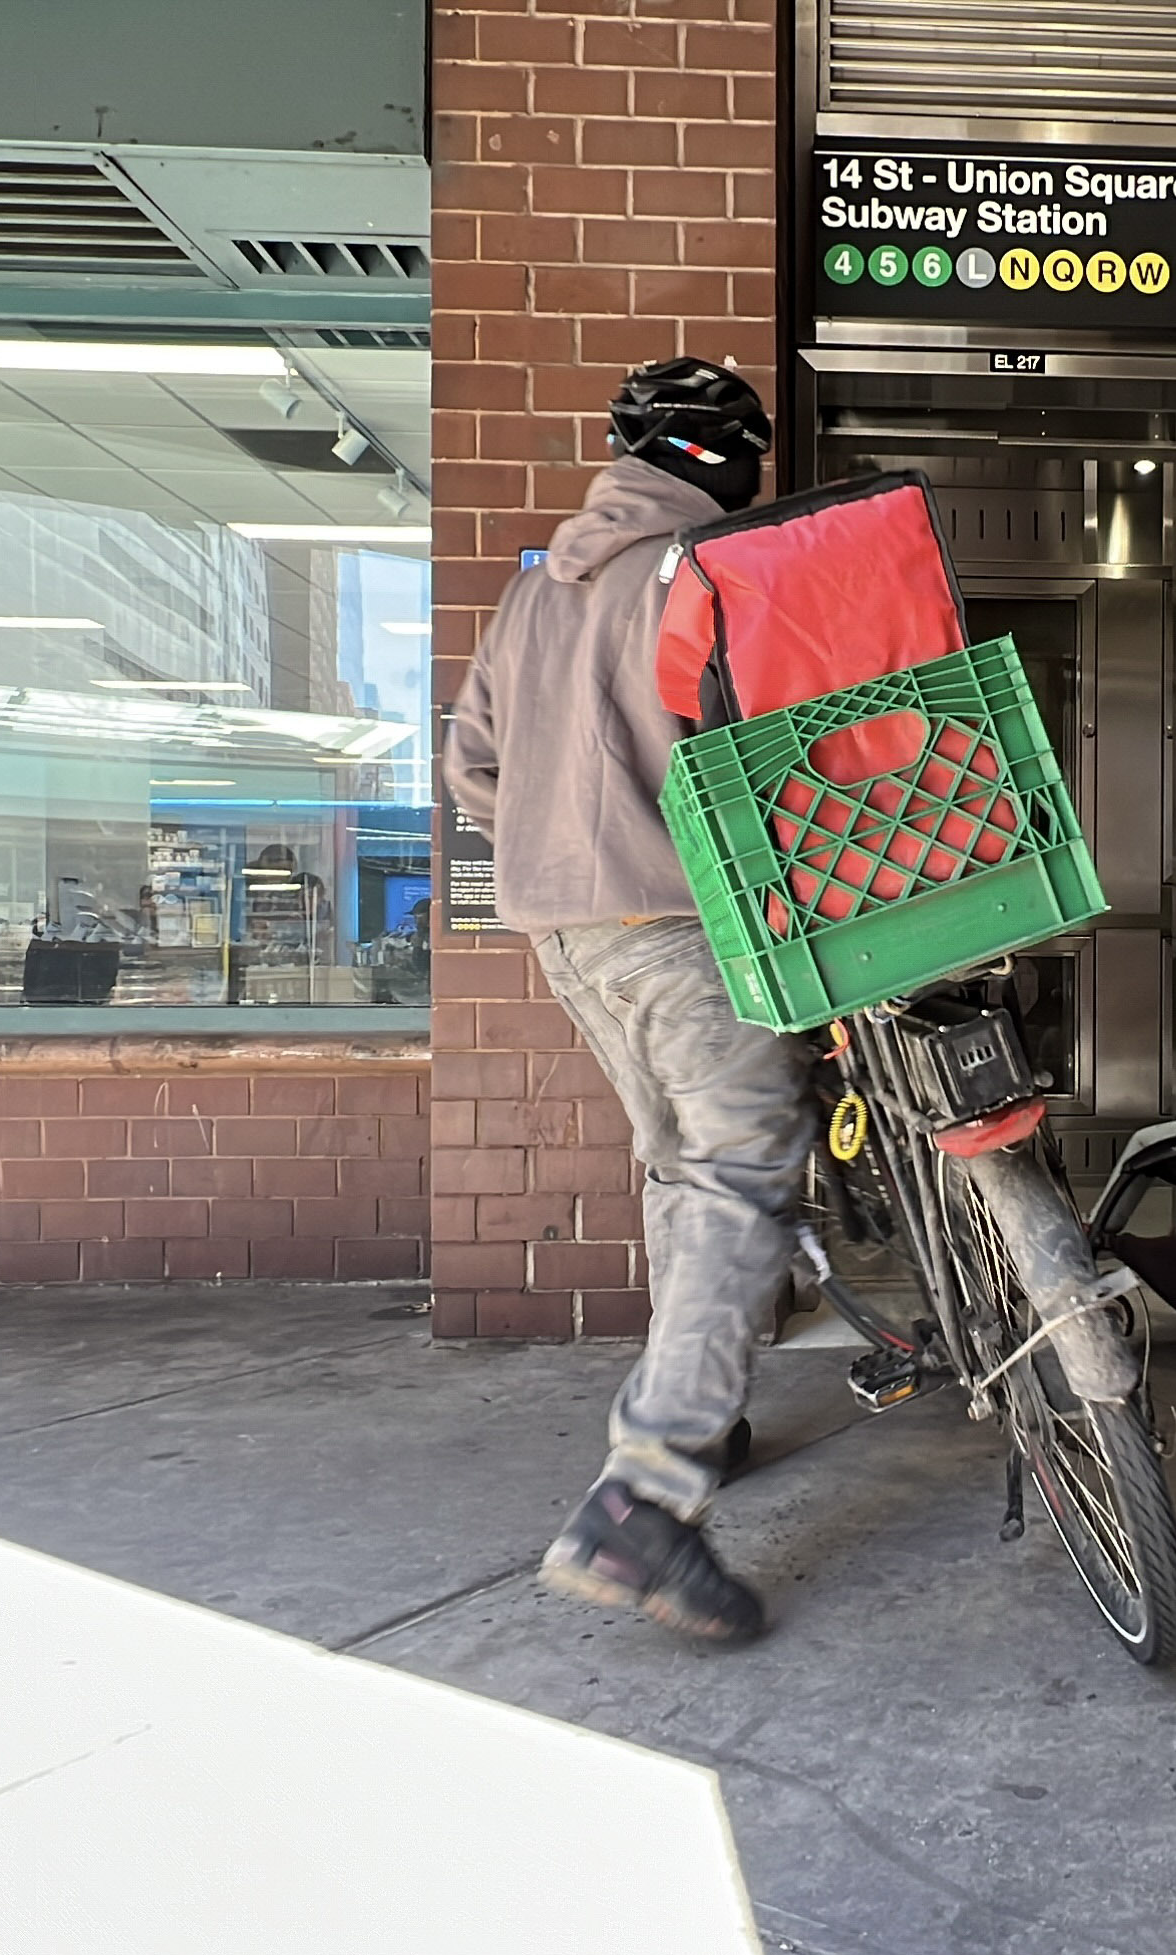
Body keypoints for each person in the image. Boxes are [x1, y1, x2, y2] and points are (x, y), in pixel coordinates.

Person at [443, 357, 792, 1644]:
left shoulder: (541, 585)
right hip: (683, 928)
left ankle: (700, 1400)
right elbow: (779, 756)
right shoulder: (709, 571)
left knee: (673, 1164)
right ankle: (644, 1499)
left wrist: (561, 849)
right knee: (743, 1172)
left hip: (571, 934)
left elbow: (470, 762)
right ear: (727, 460)